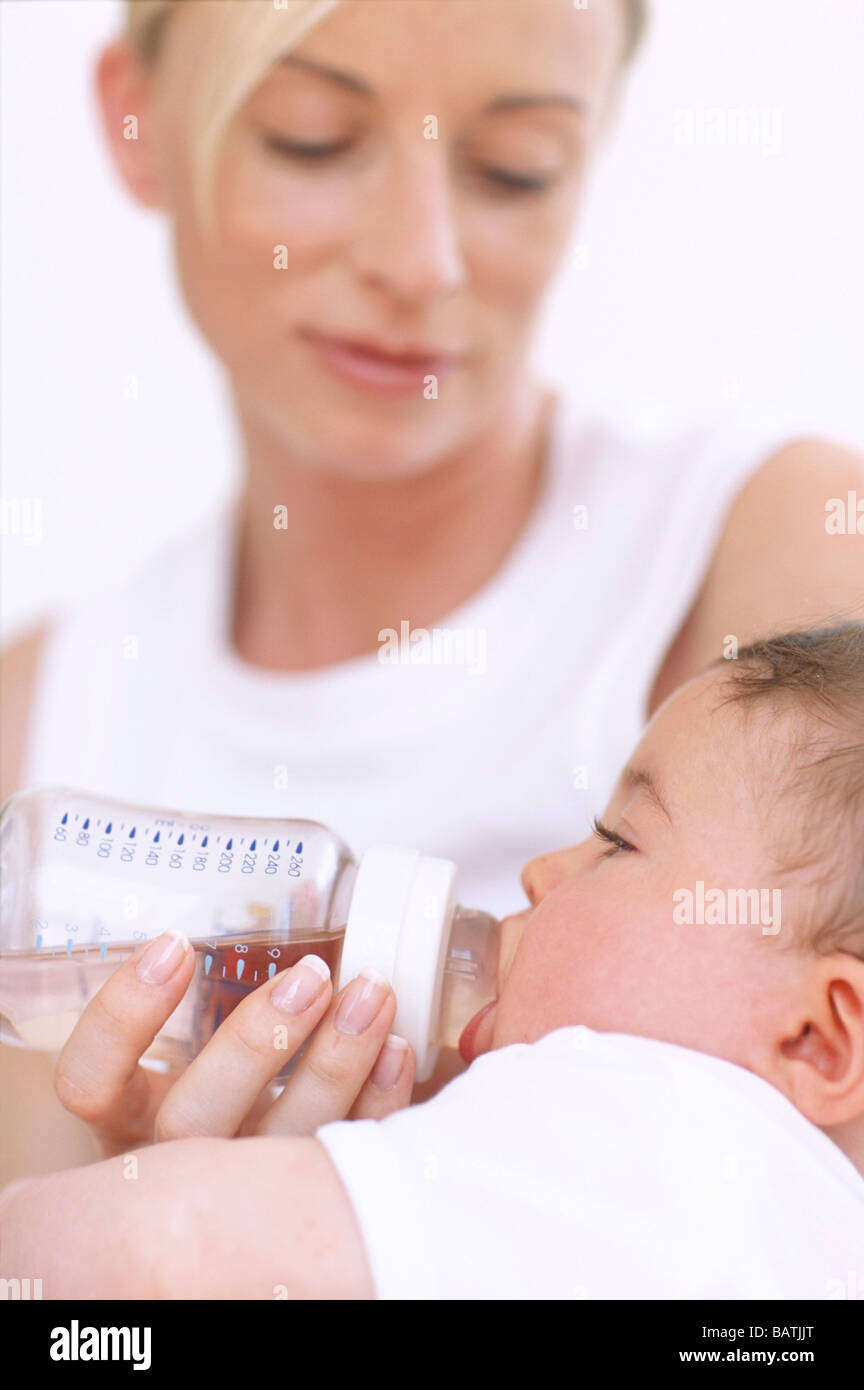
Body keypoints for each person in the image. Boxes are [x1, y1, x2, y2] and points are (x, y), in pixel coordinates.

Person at [1, 0, 863, 1184]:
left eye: (517, 168)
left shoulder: (784, 564)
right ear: (136, 122)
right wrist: (162, 1219)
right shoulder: (44, 729)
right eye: (311, 138)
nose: (422, 261)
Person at [3, 622, 864, 1298]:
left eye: (619, 841)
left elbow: (144, 1249)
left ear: (818, 1042)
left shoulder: (657, 1126)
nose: (539, 871)